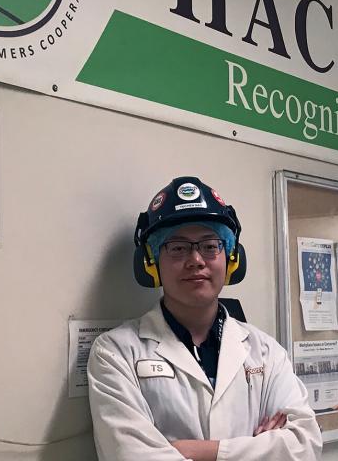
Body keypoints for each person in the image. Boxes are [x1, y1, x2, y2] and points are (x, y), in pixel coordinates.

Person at [88, 176, 323, 461]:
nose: (196, 260)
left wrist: (198, 452)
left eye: (210, 246)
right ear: (151, 263)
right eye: (177, 247)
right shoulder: (115, 353)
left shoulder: (266, 352)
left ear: (231, 259)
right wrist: (258, 449)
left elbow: (304, 446)